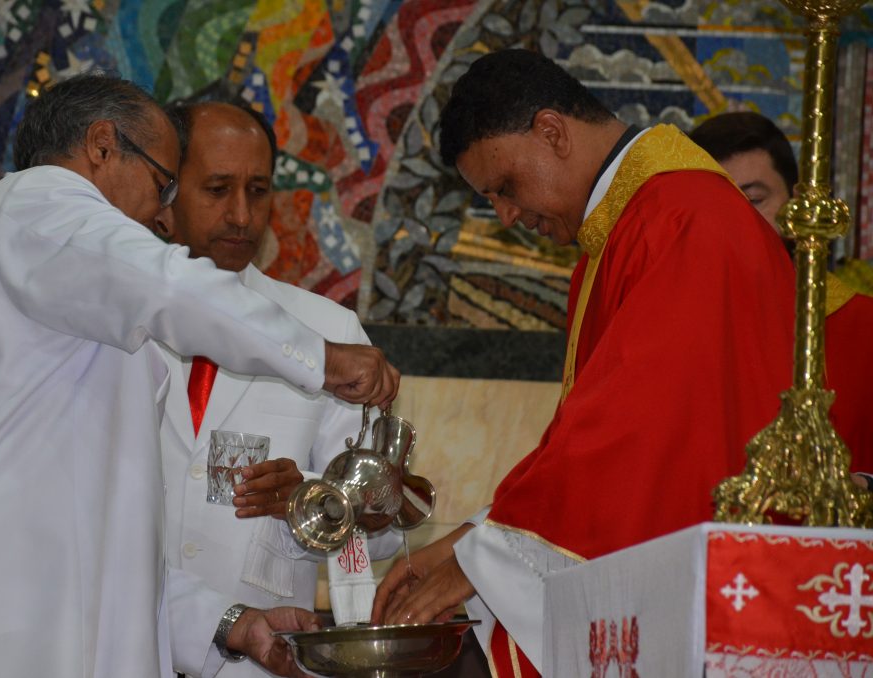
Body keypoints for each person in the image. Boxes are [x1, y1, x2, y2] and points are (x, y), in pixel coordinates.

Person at [0, 74, 399, 678]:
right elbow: (170, 287)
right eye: (166, 184)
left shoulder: (76, 288)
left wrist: (230, 623)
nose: (162, 214)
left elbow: (113, 533)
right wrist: (322, 358)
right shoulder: (36, 204)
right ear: (102, 146)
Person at [370, 50, 798, 678]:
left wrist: (482, 561)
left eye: (506, 188)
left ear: (552, 131)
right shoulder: (625, 232)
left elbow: (637, 437)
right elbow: (584, 443)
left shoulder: (685, 219)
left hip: (725, 597)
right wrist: (465, 542)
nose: (507, 217)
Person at [155, 99, 401, 677]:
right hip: (126, 650)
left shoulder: (330, 334)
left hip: (259, 662)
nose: (242, 215)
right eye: (217, 189)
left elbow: (385, 536)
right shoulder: (118, 330)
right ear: (165, 195)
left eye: (258, 191)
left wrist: (311, 499)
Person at [689, 111, 873, 475]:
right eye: (718, 204)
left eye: (755, 200)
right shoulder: (674, 331)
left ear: (796, 203)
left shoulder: (861, 326)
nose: (739, 222)